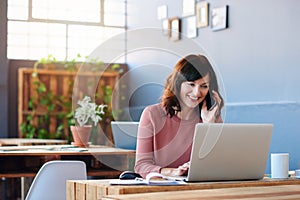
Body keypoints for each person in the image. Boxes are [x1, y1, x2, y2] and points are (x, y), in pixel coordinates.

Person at [134, 54, 224, 178]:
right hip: (163, 187)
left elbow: (218, 165)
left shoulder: (212, 118)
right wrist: (173, 172)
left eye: (204, 86)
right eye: (191, 84)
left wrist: (209, 126)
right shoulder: (152, 114)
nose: (197, 93)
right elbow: (142, 165)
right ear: (178, 83)